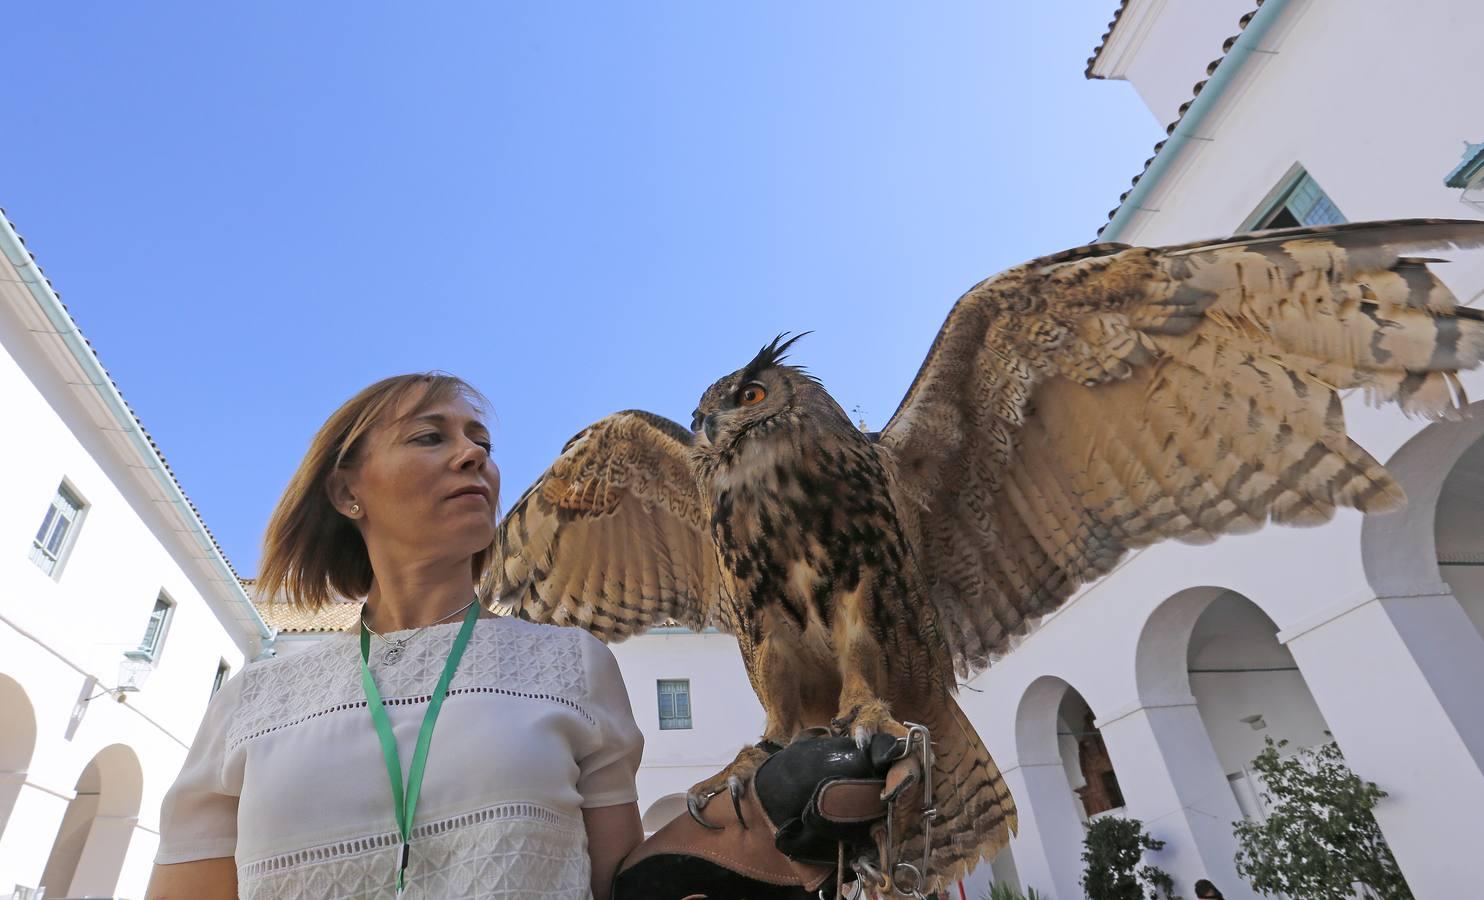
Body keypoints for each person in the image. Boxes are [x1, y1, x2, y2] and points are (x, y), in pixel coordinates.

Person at [146, 373, 644, 899]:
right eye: (430, 436)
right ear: (346, 491)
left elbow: (621, 887)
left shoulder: (573, 666)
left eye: (483, 443)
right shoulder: (249, 703)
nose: (473, 455)